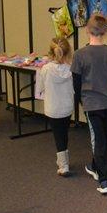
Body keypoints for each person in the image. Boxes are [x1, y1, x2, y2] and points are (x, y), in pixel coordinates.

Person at [71, 15, 107, 195]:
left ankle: (95, 166)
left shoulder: (79, 55)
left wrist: (81, 101)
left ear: (86, 30)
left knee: (102, 139)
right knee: (104, 138)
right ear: (106, 31)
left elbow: (76, 84)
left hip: (91, 103)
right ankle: (105, 179)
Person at [35, 37, 74, 176]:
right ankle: (64, 159)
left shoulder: (45, 69)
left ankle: (63, 165)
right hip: (67, 107)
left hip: (53, 108)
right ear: (68, 52)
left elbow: (39, 88)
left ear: (51, 53)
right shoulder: (71, 69)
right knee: (64, 133)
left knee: (58, 135)